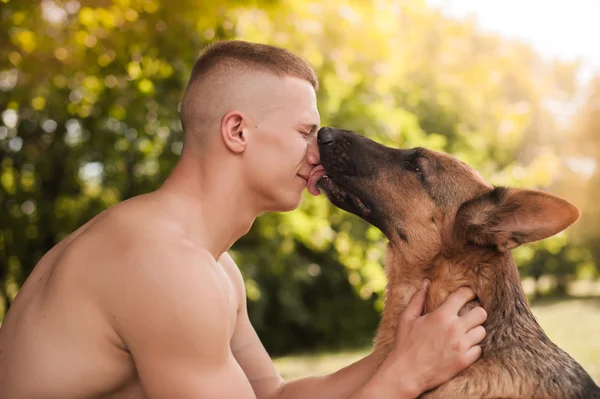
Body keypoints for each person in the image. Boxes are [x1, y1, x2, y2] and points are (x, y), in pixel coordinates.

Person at [0, 40, 487, 398]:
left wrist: (396, 356)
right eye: (304, 131)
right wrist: (404, 379)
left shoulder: (213, 268)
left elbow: (272, 396)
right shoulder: (163, 265)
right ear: (236, 131)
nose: (319, 152)